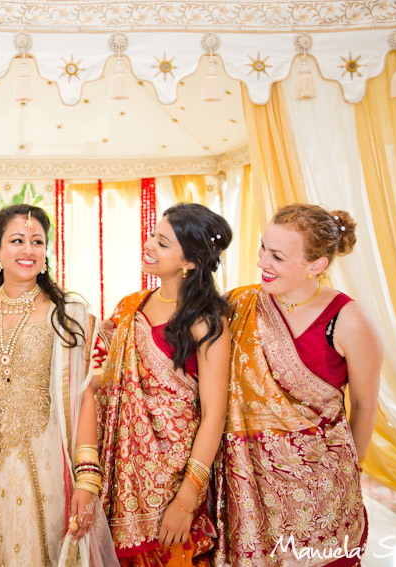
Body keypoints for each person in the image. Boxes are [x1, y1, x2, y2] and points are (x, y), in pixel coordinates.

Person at [215, 204, 382, 567]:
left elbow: (366, 405)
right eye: (262, 248)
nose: (262, 262)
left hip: (322, 491)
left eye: (277, 256)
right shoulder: (239, 304)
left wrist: (350, 471)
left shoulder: (349, 320)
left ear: (316, 265)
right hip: (249, 490)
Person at [0, 204, 117, 567]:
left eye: (37, 241)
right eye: (17, 240)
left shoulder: (67, 311)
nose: (28, 250)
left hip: (41, 460)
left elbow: (84, 394)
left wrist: (86, 479)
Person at [97, 203, 231, 567]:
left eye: (162, 242)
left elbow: (215, 416)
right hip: (123, 480)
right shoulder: (130, 307)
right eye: (153, 236)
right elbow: (103, 376)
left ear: (191, 262)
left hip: (174, 480)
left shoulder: (206, 321)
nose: (149, 246)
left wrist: (186, 500)